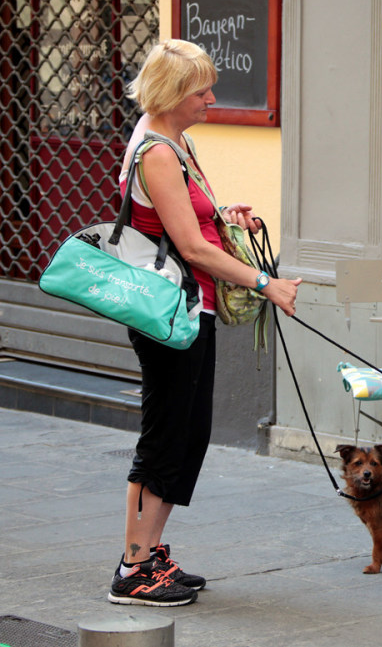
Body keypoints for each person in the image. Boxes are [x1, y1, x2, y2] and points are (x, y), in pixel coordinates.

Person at [108, 39, 301, 606]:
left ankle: (149, 552)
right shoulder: (159, 152)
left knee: (187, 433)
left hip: (194, 308)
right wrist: (265, 282)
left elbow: (191, 222)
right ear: (171, 94)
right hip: (171, 313)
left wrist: (227, 213)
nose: (212, 99)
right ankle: (133, 569)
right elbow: (190, 247)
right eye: (201, 91)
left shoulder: (176, 141)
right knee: (166, 435)